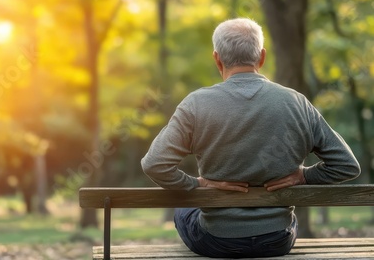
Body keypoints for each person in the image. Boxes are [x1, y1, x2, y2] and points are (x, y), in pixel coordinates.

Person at [141, 18, 360, 258]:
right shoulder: (297, 102)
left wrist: (200, 184)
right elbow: (346, 165)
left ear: (217, 59)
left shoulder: (195, 104)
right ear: (262, 57)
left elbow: (154, 164)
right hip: (277, 239)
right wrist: (303, 175)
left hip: (217, 241)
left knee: (184, 208)